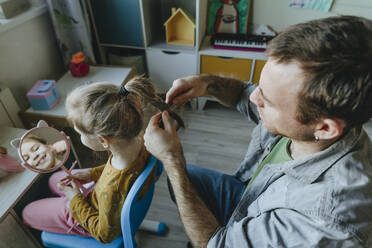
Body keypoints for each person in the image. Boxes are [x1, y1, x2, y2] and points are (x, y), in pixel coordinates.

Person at [144, 15, 372, 247]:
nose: (254, 97)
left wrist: (172, 160)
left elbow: (218, 245)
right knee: (186, 177)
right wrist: (207, 84)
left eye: (268, 101)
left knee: (179, 175)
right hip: (249, 196)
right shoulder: (315, 119)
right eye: (260, 86)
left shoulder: (325, 218)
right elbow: (243, 93)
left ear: (324, 128)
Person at [22, 77, 182, 243]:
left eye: (80, 134)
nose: (80, 137)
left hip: (92, 217)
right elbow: (116, 173)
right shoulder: (143, 140)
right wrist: (92, 174)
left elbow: (104, 234)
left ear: (103, 141)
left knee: (28, 211)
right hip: (107, 198)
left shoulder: (111, 189)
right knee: (54, 180)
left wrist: (74, 199)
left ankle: (65, 209)